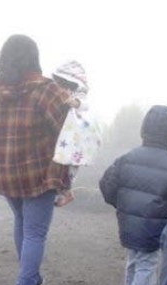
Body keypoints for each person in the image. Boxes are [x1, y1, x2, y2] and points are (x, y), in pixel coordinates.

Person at [0, 34, 78, 285]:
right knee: (35, 232)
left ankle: (32, 276)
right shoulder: (47, 90)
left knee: (22, 223)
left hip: (6, 172)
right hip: (38, 174)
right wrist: (74, 102)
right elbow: (67, 128)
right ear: (33, 58)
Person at [99, 105, 167, 285]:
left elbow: (106, 185)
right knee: (147, 263)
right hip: (155, 225)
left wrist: (122, 205)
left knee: (134, 261)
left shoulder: (127, 158)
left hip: (128, 221)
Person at [50, 60, 102, 206]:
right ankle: (65, 192)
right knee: (64, 159)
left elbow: (83, 103)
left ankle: (66, 191)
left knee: (71, 163)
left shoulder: (79, 93)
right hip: (67, 133)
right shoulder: (57, 90)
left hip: (78, 132)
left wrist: (76, 103)